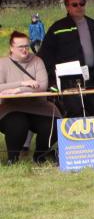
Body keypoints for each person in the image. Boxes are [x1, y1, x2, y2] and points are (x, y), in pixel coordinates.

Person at [38, 0, 94, 117]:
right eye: (75, 4)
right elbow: (45, 54)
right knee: (75, 112)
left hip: (93, 79)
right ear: (67, 7)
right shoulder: (58, 28)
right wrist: (53, 78)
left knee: (93, 111)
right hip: (69, 81)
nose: (79, 7)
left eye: (82, 4)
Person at [0, 31, 58, 163]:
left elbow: (42, 86)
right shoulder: (2, 63)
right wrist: (22, 83)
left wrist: (17, 90)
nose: (25, 49)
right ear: (11, 48)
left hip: (39, 106)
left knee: (53, 123)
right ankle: (13, 159)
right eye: (20, 46)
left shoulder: (37, 61)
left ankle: (40, 156)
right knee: (18, 123)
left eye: (27, 46)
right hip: (10, 108)